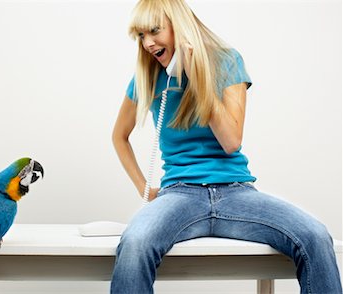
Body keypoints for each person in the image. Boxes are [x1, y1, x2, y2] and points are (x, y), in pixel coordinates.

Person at [110, 0, 342, 293]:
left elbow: (231, 141)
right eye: (140, 35)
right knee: (135, 243)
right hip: (180, 193)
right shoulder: (147, 77)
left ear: (179, 27)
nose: (147, 43)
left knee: (316, 237)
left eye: (154, 31)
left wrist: (196, 75)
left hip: (236, 192)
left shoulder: (228, 62)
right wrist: (145, 188)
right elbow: (119, 135)